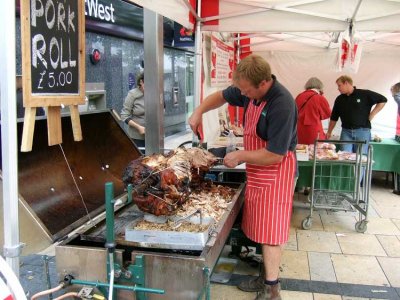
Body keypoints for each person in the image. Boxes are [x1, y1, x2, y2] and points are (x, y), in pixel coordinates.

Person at [189, 54, 297, 300]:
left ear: (263, 83)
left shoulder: (282, 104)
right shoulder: (250, 89)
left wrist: (240, 156)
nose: (243, 96)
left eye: (247, 92)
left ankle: (272, 290)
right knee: (261, 226)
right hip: (258, 171)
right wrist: (198, 111)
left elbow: (275, 155)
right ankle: (264, 274)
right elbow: (221, 96)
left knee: (271, 232)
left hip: (276, 171)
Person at [326, 75, 387, 154]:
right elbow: (334, 117)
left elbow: (383, 100)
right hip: (346, 132)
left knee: (361, 158)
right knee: (344, 156)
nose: (338, 88)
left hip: (363, 131)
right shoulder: (339, 99)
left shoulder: (364, 94)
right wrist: (329, 131)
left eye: (339, 85)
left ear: (346, 83)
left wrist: (372, 114)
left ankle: (361, 166)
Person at [295, 77, 331, 145]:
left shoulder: (299, 96)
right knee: (315, 151)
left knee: (302, 150)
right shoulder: (319, 97)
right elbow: (327, 114)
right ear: (320, 86)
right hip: (314, 129)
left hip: (299, 128)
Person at [121, 72, 145, 151]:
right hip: (137, 137)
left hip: (154, 136)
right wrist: (139, 127)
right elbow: (124, 116)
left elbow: (162, 108)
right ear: (141, 82)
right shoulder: (132, 94)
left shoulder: (155, 92)